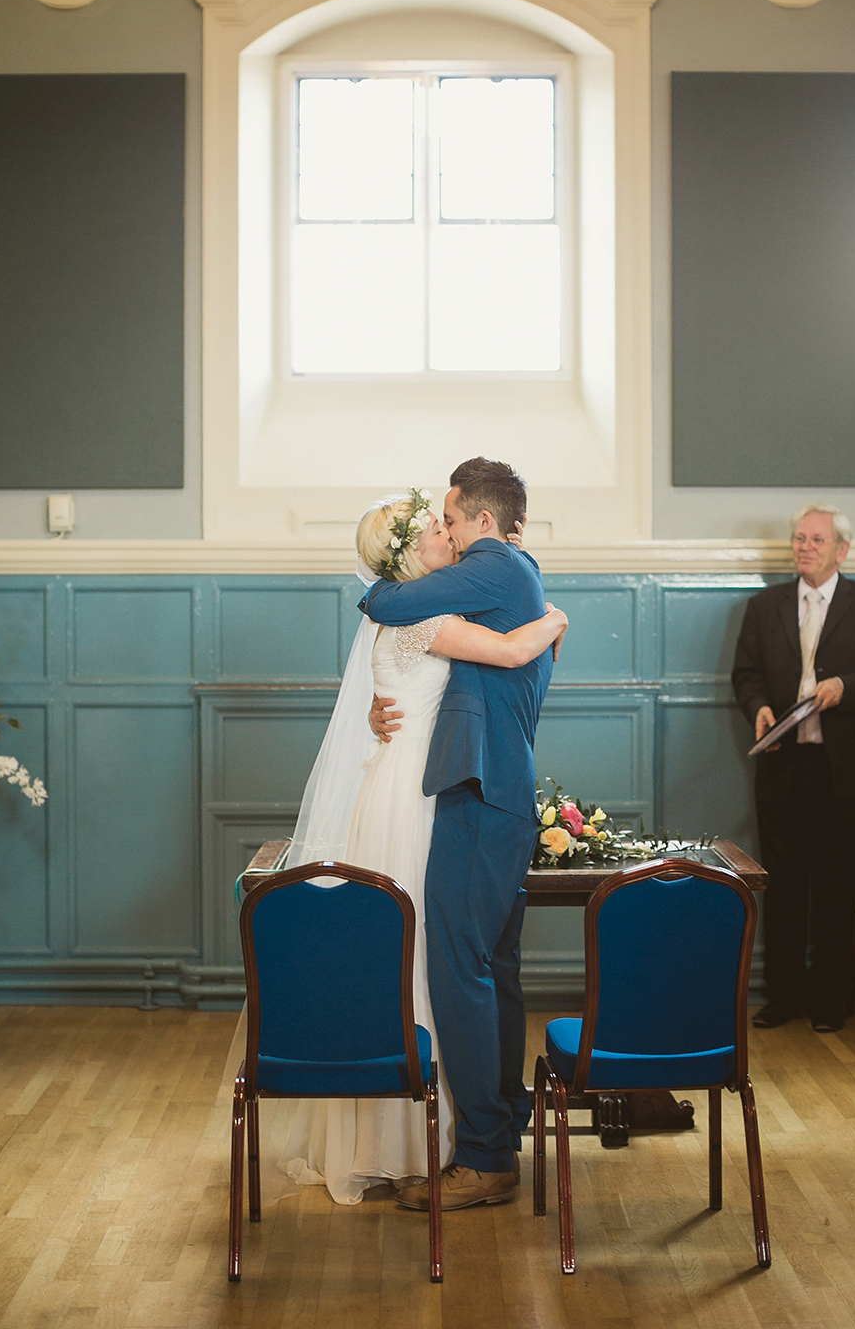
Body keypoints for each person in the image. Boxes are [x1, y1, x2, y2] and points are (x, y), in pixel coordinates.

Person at [250, 489, 567, 1206]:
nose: (442, 532)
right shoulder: (422, 611)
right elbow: (514, 649)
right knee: (433, 959)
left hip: (433, 785)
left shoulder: (448, 600)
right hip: (419, 792)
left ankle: (458, 1133)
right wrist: (557, 618)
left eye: (446, 520)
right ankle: (450, 1138)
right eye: (430, 527)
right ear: (403, 556)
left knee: (442, 960)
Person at [362, 458, 554, 1211]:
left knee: (461, 968)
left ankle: (482, 1157)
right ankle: (500, 1131)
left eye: (450, 517)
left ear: (480, 521)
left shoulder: (494, 564)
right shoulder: (514, 573)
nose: (443, 530)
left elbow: (388, 598)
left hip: (479, 791)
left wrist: (379, 584)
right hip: (499, 789)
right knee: (494, 968)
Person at [732, 503, 855, 1034]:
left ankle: (832, 1001)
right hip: (785, 769)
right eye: (799, 538)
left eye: (817, 540)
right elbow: (746, 674)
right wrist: (758, 707)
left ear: (841, 550)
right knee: (784, 889)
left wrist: (846, 688)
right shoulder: (766, 606)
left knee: (835, 891)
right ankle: (784, 997)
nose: (805, 546)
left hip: (845, 774)